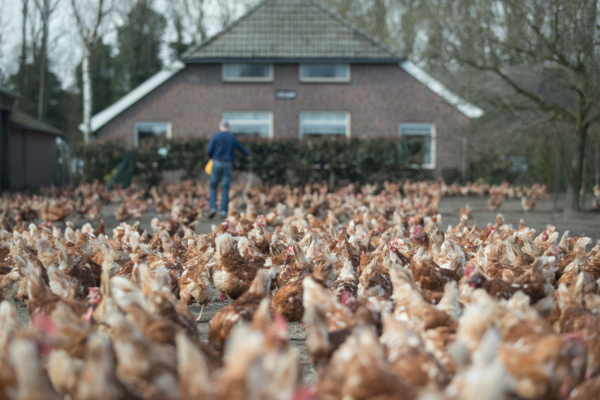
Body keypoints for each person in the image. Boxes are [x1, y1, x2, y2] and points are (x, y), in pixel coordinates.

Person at [206, 120, 250, 218]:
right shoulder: (232, 138)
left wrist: (212, 156)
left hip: (216, 163)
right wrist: (248, 154)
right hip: (227, 164)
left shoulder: (215, 137)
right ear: (228, 128)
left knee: (213, 186)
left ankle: (213, 208)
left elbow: (208, 150)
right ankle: (224, 211)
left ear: (220, 126)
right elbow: (242, 149)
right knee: (225, 188)